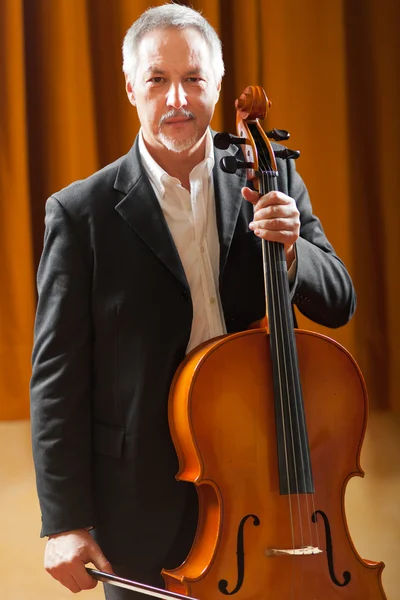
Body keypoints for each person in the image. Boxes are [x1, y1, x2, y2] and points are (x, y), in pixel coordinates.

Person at [30, 3, 356, 599]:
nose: (177, 99)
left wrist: (290, 252)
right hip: (139, 501)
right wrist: (65, 522)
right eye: (158, 79)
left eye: (193, 79)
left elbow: (338, 300)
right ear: (131, 88)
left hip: (261, 479)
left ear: (218, 81)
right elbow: (56, 378)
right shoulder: (82, 214)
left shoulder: (271, 174)